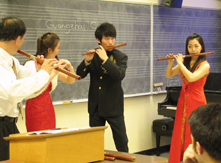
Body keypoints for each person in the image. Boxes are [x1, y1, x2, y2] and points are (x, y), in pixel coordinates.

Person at [0, 17, 60, 161]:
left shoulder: (12, 60)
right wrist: (44, 73)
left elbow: (28, 82)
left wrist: (39, 71)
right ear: (17, 39)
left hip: (9, 124)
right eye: (22, 39)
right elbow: (13, 92)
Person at [76, 22, 129, 152]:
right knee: (94, 143)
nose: (110, 42)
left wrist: (106, 60)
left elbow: (119, 75)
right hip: (96, 107)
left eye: (112, 38)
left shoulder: (120, 56)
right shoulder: (94, 55)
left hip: (114, 107)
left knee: (121, 141)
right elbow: (79, 75)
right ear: (98, 40)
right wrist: (87, 61)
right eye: (107, 39)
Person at [165, 33, 210, 163]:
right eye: (190, 46)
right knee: (180, 132)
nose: (193, 50)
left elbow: (191, 78)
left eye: (196, 46)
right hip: (183, 100)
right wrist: (170, 63)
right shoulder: (185, 62)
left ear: (201, 47)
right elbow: (169, 74)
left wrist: (180, 64)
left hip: (197, 101)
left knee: (193, 131)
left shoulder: (205, 65)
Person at [24, 32, 76, 132]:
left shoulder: (53, 65)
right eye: (57, 48)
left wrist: (70, 68)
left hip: (47, 107)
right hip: (35, 107)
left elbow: (70, 80)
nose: (59, 51)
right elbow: (35, 89)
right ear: (49, 50)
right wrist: (54, 73)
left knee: (50, 137)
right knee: (37, 138)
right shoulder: (31, 64)